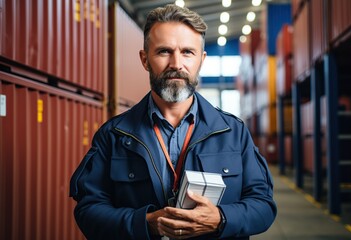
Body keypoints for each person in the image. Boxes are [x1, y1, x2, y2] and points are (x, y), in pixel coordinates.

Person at [70, 4, 276, 240]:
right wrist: (145, 223)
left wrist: (220, 218)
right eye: (164, 51)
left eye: (188, 52)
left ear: (202, 59)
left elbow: (263, 206)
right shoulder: (114, 135)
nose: (176, 64)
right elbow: (88, 210)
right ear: (145, 59)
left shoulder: (233, 132)